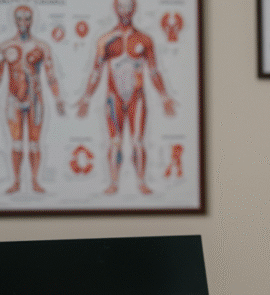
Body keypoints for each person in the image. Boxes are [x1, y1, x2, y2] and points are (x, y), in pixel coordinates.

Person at [75, 0, 175, 196]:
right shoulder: (105, 40)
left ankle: (140, 182)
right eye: (121, 6)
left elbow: (154, 71)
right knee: (115, 142)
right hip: (114, 99)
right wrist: (86, 98)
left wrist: (164, 96)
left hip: (137, 97)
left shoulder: (144, 39)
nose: (125, 11)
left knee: (138, 141)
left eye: (129, 7)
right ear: (115, 8)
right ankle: (113, 182)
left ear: (134, 9)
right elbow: (96, 72)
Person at [0, 5, 65, 194]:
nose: (23, 23)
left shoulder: (42, 47)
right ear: (14, 20)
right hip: (13, 99)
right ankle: (17, 182)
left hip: (35, 99)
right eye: (19, 18)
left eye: (27, 19)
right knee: (17, 143)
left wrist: (58, 97)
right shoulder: (5, 47)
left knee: (35, 142)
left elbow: (51, 75)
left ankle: (35, 181)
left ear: (32, 20)